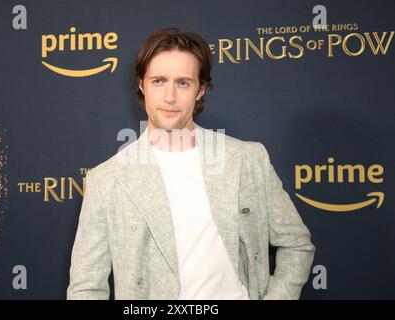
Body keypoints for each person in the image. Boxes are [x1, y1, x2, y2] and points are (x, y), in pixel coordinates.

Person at [67, 27, 315, 300]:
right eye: (158, 81)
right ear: (142, 86)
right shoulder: (107, 180)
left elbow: (297, 244)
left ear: (200, 90)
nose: (170, 96)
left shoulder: (247, 160)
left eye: (183, 82)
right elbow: (86, 288)